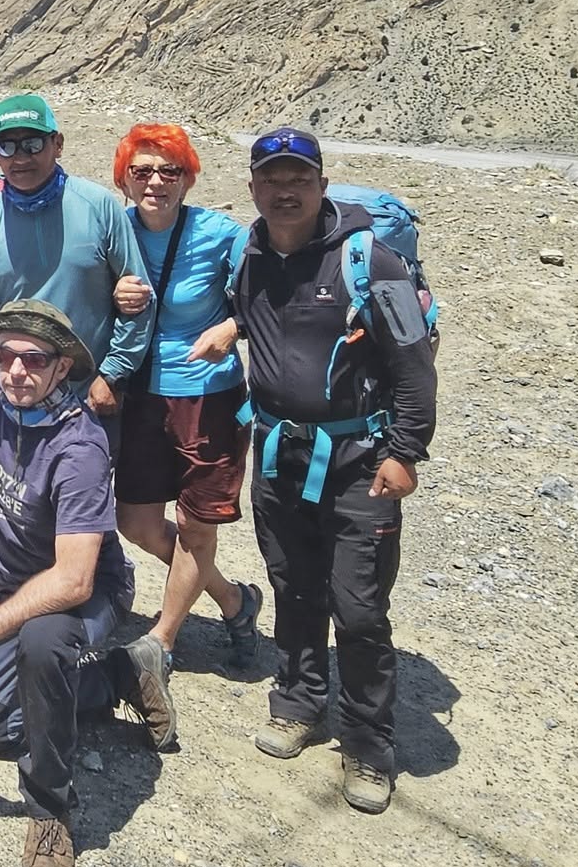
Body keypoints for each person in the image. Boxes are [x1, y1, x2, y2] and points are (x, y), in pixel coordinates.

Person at [233, 127, 437, 816]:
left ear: (321, 184)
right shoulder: (249, 254)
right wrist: (230, 330)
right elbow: (268, 322)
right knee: (292, 585)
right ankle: (298, 701)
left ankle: (368, 744)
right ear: (253, 187)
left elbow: (413, 362)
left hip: (359, 463)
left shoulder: (370, 260)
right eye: (271, 179)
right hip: (278, 453)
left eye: (299, 179)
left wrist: (405, 452)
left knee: (359, 607)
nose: (284, 191)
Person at [0, 300, 168, 867]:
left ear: (62, 367)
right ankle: (120, 675)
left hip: (89, 593)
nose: (16, 371)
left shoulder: (81, 447)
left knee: (43, 643)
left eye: (34, 359)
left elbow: (74, 580)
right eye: (5, 356)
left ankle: (49, 814)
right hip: (16, 588)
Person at [107, 123, 263, 675]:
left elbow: (268, 294)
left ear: (188, 178)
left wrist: (233, 326)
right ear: (124, 179)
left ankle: (163, 639)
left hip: (208, 399)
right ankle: (233, 599)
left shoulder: (220, 234)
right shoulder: (114, 230)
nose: (155, 182)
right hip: (141, 396)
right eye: (142, 171)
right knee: (136, 522)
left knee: (198, 527)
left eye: (169, 171)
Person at [0, 94, 152, 445]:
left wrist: (113, 374)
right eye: (7, 146)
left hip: (89, 400)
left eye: (32, 144)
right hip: (16, 397)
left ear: (57, 144)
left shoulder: (99, 207)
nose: (20, 157)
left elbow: (139, 299)